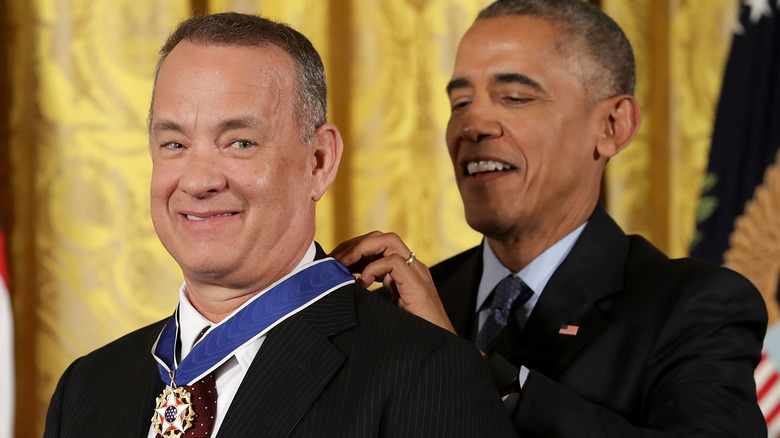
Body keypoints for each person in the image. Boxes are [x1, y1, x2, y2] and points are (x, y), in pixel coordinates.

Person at [43, 12, 517, 438]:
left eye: (240, 143)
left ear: (319, 161)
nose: (199, 180)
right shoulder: (86, 388)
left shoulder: (424, 372)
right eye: (174, 144)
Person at [331, 0, 769, 436]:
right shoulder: (399, 308)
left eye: (515, 97)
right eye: (460, 102)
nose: (474, 123)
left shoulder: (695, 306)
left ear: (612, 126)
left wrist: (466, 366)